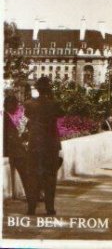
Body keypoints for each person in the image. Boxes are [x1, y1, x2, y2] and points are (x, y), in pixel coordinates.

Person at [24, 76, 63, 215]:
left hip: (35, 144)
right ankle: (49, 208)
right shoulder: (54, 104)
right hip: (50, 144)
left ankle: (31, 208)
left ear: (38, 89)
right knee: (50, 177)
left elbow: (27, 115)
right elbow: (60, 114)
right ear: (49, 89)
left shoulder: (29, 104)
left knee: (33, 176)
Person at [3, 94, 31, 203]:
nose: (16, 107)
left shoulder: (16, 115)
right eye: (13, 104)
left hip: (18, 149)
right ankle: (32, 195)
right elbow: (10, 138)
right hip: (12, 150)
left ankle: (34, 194)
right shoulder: (5, 117)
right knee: (25, 170)